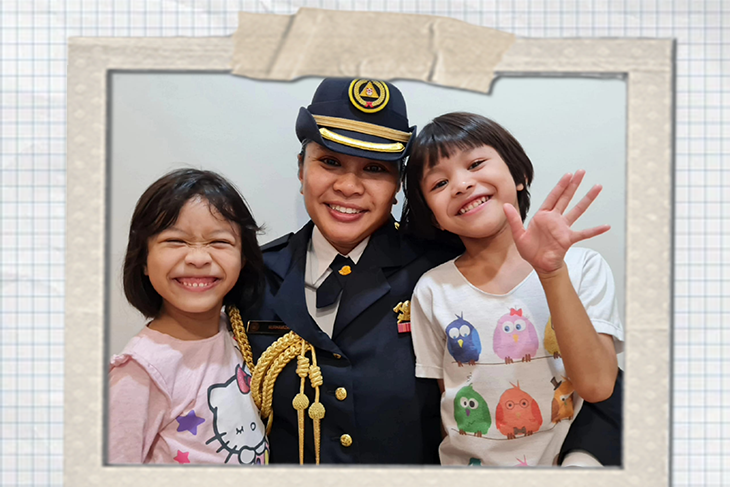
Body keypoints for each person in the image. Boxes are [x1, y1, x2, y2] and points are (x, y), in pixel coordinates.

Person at [241, 78, 459, 464]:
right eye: (330, 162)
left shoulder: (441, 271)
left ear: (398, 186)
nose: (348, 186)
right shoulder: (250, 274)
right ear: (300, 169)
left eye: (374, 168)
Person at [401, 112, 624, 466]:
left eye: (475, 163)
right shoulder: (432, 290)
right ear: (432, 216)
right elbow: (448, 408)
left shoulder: (582, 268)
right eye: (438, 184)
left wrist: (551, 273)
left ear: (519, 175)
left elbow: (598, 386)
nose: (460, 184)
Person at [108, 169, 270, 465]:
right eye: (175, 241)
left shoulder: (239, 335)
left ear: (243, 259)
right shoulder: (140, 372)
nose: (198, 258)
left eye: (219, 242)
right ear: (143, 260)